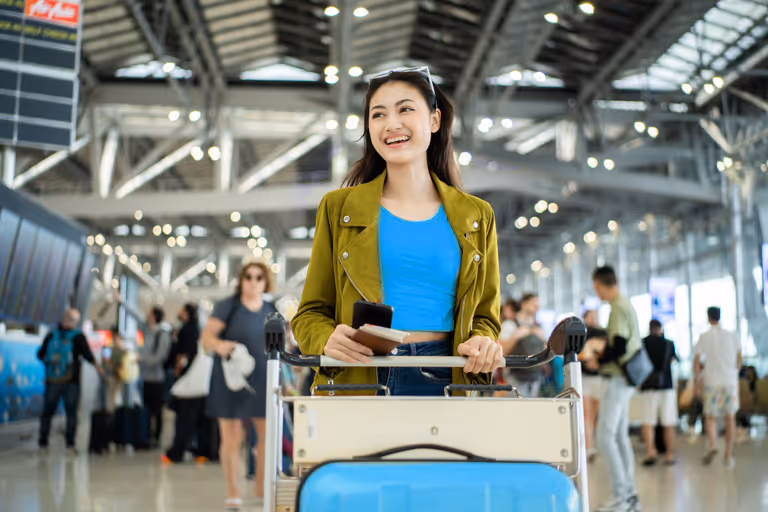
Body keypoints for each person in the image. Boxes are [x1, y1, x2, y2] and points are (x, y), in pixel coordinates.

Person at [292, 67, 503, 400]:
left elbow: (486, 317)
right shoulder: (339, 208)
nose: (391, 124)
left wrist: (483, 340)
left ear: (434, 121)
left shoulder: (476, 216)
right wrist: (325, 339)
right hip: (362, 375)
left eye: (405, 109)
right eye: (378, 114)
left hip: (446, 375)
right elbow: (309, 314)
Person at [202, 261, 278, 509]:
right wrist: (219, 345)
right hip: (231, 380)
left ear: (265, 281)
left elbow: (280, 345)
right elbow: (207, 337)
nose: (253, 281)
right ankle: (233, 490)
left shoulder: (271, 309)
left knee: (266, 437)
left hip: (263, 378)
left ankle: (261, 486)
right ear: (241, 279)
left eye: (259, 277)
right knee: (231, 437)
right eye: (248, 276)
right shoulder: (228, 306)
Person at [592, 266, 641, 512]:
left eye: (595, 287)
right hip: (625, 381)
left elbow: (619, 347)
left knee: (604, 436)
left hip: (618, 379)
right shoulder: (624, 304)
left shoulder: (618, 307)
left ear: (600, 284)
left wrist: (598, 359)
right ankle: (629, 495)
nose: (596, 292)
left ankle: (621, 495)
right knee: (619, 436)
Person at [37, 308, 103, 455]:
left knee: (47, 413)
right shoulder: (78, 336)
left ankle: (42, 443)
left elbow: (40, 354)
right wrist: (98, 368)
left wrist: (50, 367)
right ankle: (70, 445)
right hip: (71, 381)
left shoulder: (51, 335)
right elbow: (88, 355)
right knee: (71, 413)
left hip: (52, 380)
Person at [694, 306, 742, 469]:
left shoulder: (704, 336)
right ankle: (728, 454)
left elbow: (697, 360)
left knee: (711, 417)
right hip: (729, 381)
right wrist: (734, 371)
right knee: (730, 418)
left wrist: (696, 380)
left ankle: (713, 444)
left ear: (709, 318)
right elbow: (739, 357)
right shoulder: (731, 335)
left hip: (712, 381)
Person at [163, 303, 211, 465]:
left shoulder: (186, 330)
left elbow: (182, 355)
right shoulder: (198, 329)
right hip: (201, 383)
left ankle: (177, 452)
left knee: (184, 419)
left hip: (188, 382)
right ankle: (202, 451)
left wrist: (177, 372)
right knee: (200, 420)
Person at [639, 319, 679, 466]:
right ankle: (669, 454)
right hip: (666, 386)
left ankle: (651, 451)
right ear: (660, 329)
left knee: (648, 422)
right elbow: (673, 360)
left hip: (647, 386)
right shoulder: (669, 343)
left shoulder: (642, 343)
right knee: (668, 421)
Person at [501, 293, 546, 397]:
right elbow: (502, 350)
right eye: (533, 303)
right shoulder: (510, 324)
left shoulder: (538, 327)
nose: (537, 306)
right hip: (514, 377)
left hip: (535, 376)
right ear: (524, 304)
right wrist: (516, 336)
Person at [140, 306, 172, 449]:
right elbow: (136, 315)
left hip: (157, 378)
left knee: (157, 409)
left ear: (154, 316)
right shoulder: (147, 331)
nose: (146, 315)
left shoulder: (162, 334)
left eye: (149, 313)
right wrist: (122, 302)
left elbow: (161, 356)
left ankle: (157, 436)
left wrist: (143, 360)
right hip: (145, 377)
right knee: (146, 408)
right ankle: (146, 434)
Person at [579, 309, 606, 462]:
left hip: (598, 379)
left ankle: (592, 444)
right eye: (590, 316)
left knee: (593, 415)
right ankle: (589, 447)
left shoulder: (602, 333)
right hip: (585, 378)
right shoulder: (581, 333)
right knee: (586, 414)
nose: (593, 318)